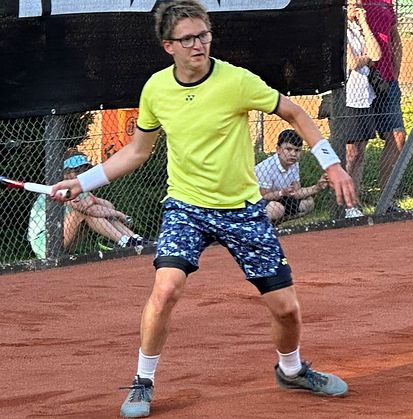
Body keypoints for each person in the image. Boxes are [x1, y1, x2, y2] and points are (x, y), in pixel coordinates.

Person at [50, 1, 356, 417]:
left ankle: (291, 369)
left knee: (286, 308)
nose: (199, 44)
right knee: (166, 288)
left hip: (244, 211)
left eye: (204, 35)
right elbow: (138, 151)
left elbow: (295, 112)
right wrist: (81, 182)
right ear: (168, 46)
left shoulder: (235, 80)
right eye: (189, 38)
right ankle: (143, 382)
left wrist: (331, 163)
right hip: (186, 208)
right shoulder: (156, 89)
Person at [27, 151, 149, 258]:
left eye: (83, 170)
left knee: (91, 211)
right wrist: (120, 214)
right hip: (45, 242)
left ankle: (135, 239)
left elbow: (108, 205)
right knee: (82, 213)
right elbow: (87, 210)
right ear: (65, 172)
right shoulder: (61, 188)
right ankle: (124, 241)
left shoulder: (78, 187)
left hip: (63, 233)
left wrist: (95, 202)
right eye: (76, 171)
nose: (80, 174)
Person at [330, 0, 382, 218]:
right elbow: (351, 62)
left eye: (358, 4)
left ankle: (355, 202)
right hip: (347, 97)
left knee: (360, 153)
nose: (355, 7)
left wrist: (365, 23)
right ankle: (343, 204)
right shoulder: (340, 27)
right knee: (349, 153)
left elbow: (376, 54)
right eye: (351, 4)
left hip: (365, 96)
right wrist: (365, 59)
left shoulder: (360, 29)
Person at [363, 0, 407, 197]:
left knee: (397, 136)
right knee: (357, 144)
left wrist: (395, 68)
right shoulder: (355, 2)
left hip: (387, 82)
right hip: (362, 81)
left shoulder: (387, 2)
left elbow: (395, 36)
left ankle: (385, 198)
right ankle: (350, 202)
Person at [256, 129, 330, 224]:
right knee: (276, 209)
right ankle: (261, 225)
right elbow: (264, 196)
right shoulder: (266, 167)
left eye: (297, 150)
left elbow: (296, 192)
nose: (293, 154)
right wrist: (281, 193)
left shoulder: (294, 164)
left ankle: (279, 222)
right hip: (259, 202)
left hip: (282, 198)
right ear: (278, 149)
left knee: (308, 203)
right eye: (288, 149)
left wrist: (317, 187)